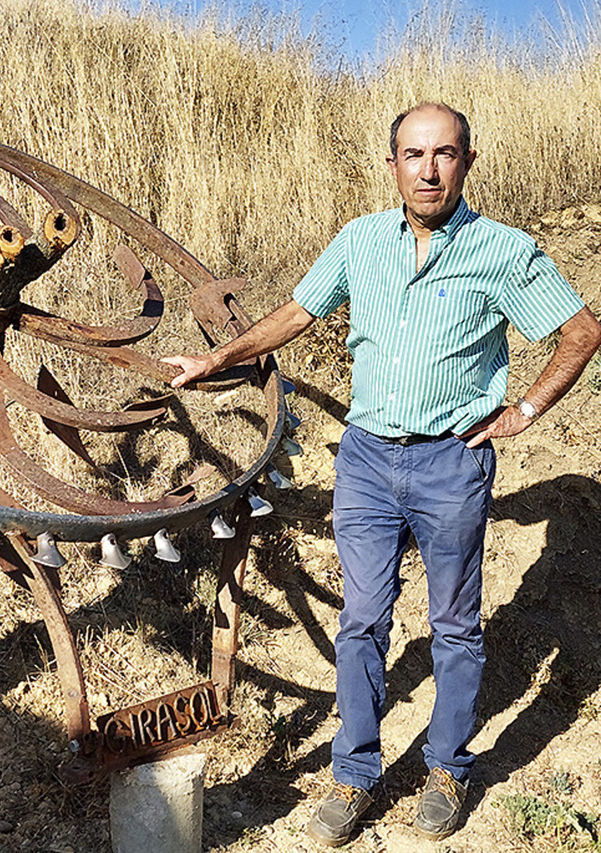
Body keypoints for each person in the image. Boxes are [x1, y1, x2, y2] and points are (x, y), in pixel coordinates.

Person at [162, 102, 601, 847]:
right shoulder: (361, 240)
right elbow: (298, 313)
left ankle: (447, 767)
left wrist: (524, 408)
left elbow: (581, 329)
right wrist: (217, 358)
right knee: (363, 620)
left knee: (455, 626)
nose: (428, 170)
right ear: (391, 163)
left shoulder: (501, 250)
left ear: (467, 161)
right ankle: (355, 773)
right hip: (366, 457)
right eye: (413, 154)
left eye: (445, 154)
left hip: (450, 461)